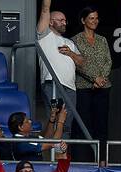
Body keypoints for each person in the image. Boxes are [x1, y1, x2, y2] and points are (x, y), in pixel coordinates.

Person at [36, 0, 84, 141]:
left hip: (70, 88)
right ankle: (53, 159)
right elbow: (45, 9)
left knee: (67, 125)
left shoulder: (69, 42)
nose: (64, 22)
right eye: (61, 20)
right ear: (50, 22)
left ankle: (62, 157)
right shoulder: (44, 35)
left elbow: (82, 62)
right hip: (53, 84)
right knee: (55, 121)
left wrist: (71, 53)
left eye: (65, 20)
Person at [71, 7, 112, 161]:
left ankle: (101, 160)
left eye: (96, 18)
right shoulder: (75, 40)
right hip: (84, 88)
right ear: (83, 21)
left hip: (103, 88)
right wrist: (94, 78)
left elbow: (108, 61)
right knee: (84, 126)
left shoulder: (102, 39)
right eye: (91, 18)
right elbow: (78, 63)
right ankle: (84, 160)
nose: (95, 21)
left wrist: (101, 79)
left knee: (101, 126)